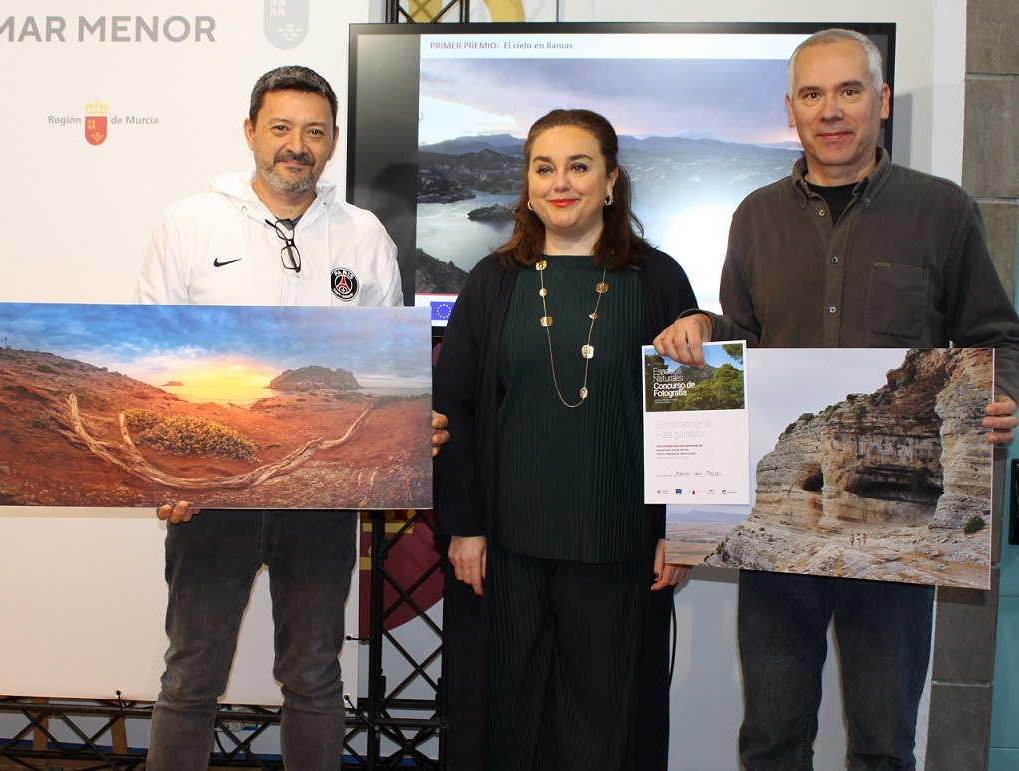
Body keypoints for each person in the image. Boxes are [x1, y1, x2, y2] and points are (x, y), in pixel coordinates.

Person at [654, 28, 1019, 771]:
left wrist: (1005, 393)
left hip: (901, 523)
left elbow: (998, 337)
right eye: (813, 95)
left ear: (880, 101)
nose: (831, 111)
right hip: (783, 520)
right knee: (772, 737)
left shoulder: (941, 210)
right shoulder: (755, 217)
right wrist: (702, 333)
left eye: (849, 91)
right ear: (791, 110)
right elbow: (746, 342)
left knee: (884, 744)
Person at [134, 65, 448, 771]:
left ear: (333, 142)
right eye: (280, 128)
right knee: (190, 678)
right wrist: (166, 475)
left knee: (313, 676)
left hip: (324, 502)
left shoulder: (365, 237)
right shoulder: (188, 223)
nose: (296, 145)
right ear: (250, 132)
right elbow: (154, 353)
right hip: (211, 496)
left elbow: (384, 353)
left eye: (313, 131)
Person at [434, 108, 696, 770]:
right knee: (503, 719)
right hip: (505, 552)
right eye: (543, 168)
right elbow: (455, 411)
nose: (561, 182)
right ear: (526, 184)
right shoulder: (492, 282)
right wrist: (464, 526)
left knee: (604, 727)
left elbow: (693, 418)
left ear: (611, 181)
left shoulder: (661, 282)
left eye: (579, 166)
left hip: (619, 550)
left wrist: (687, 530)